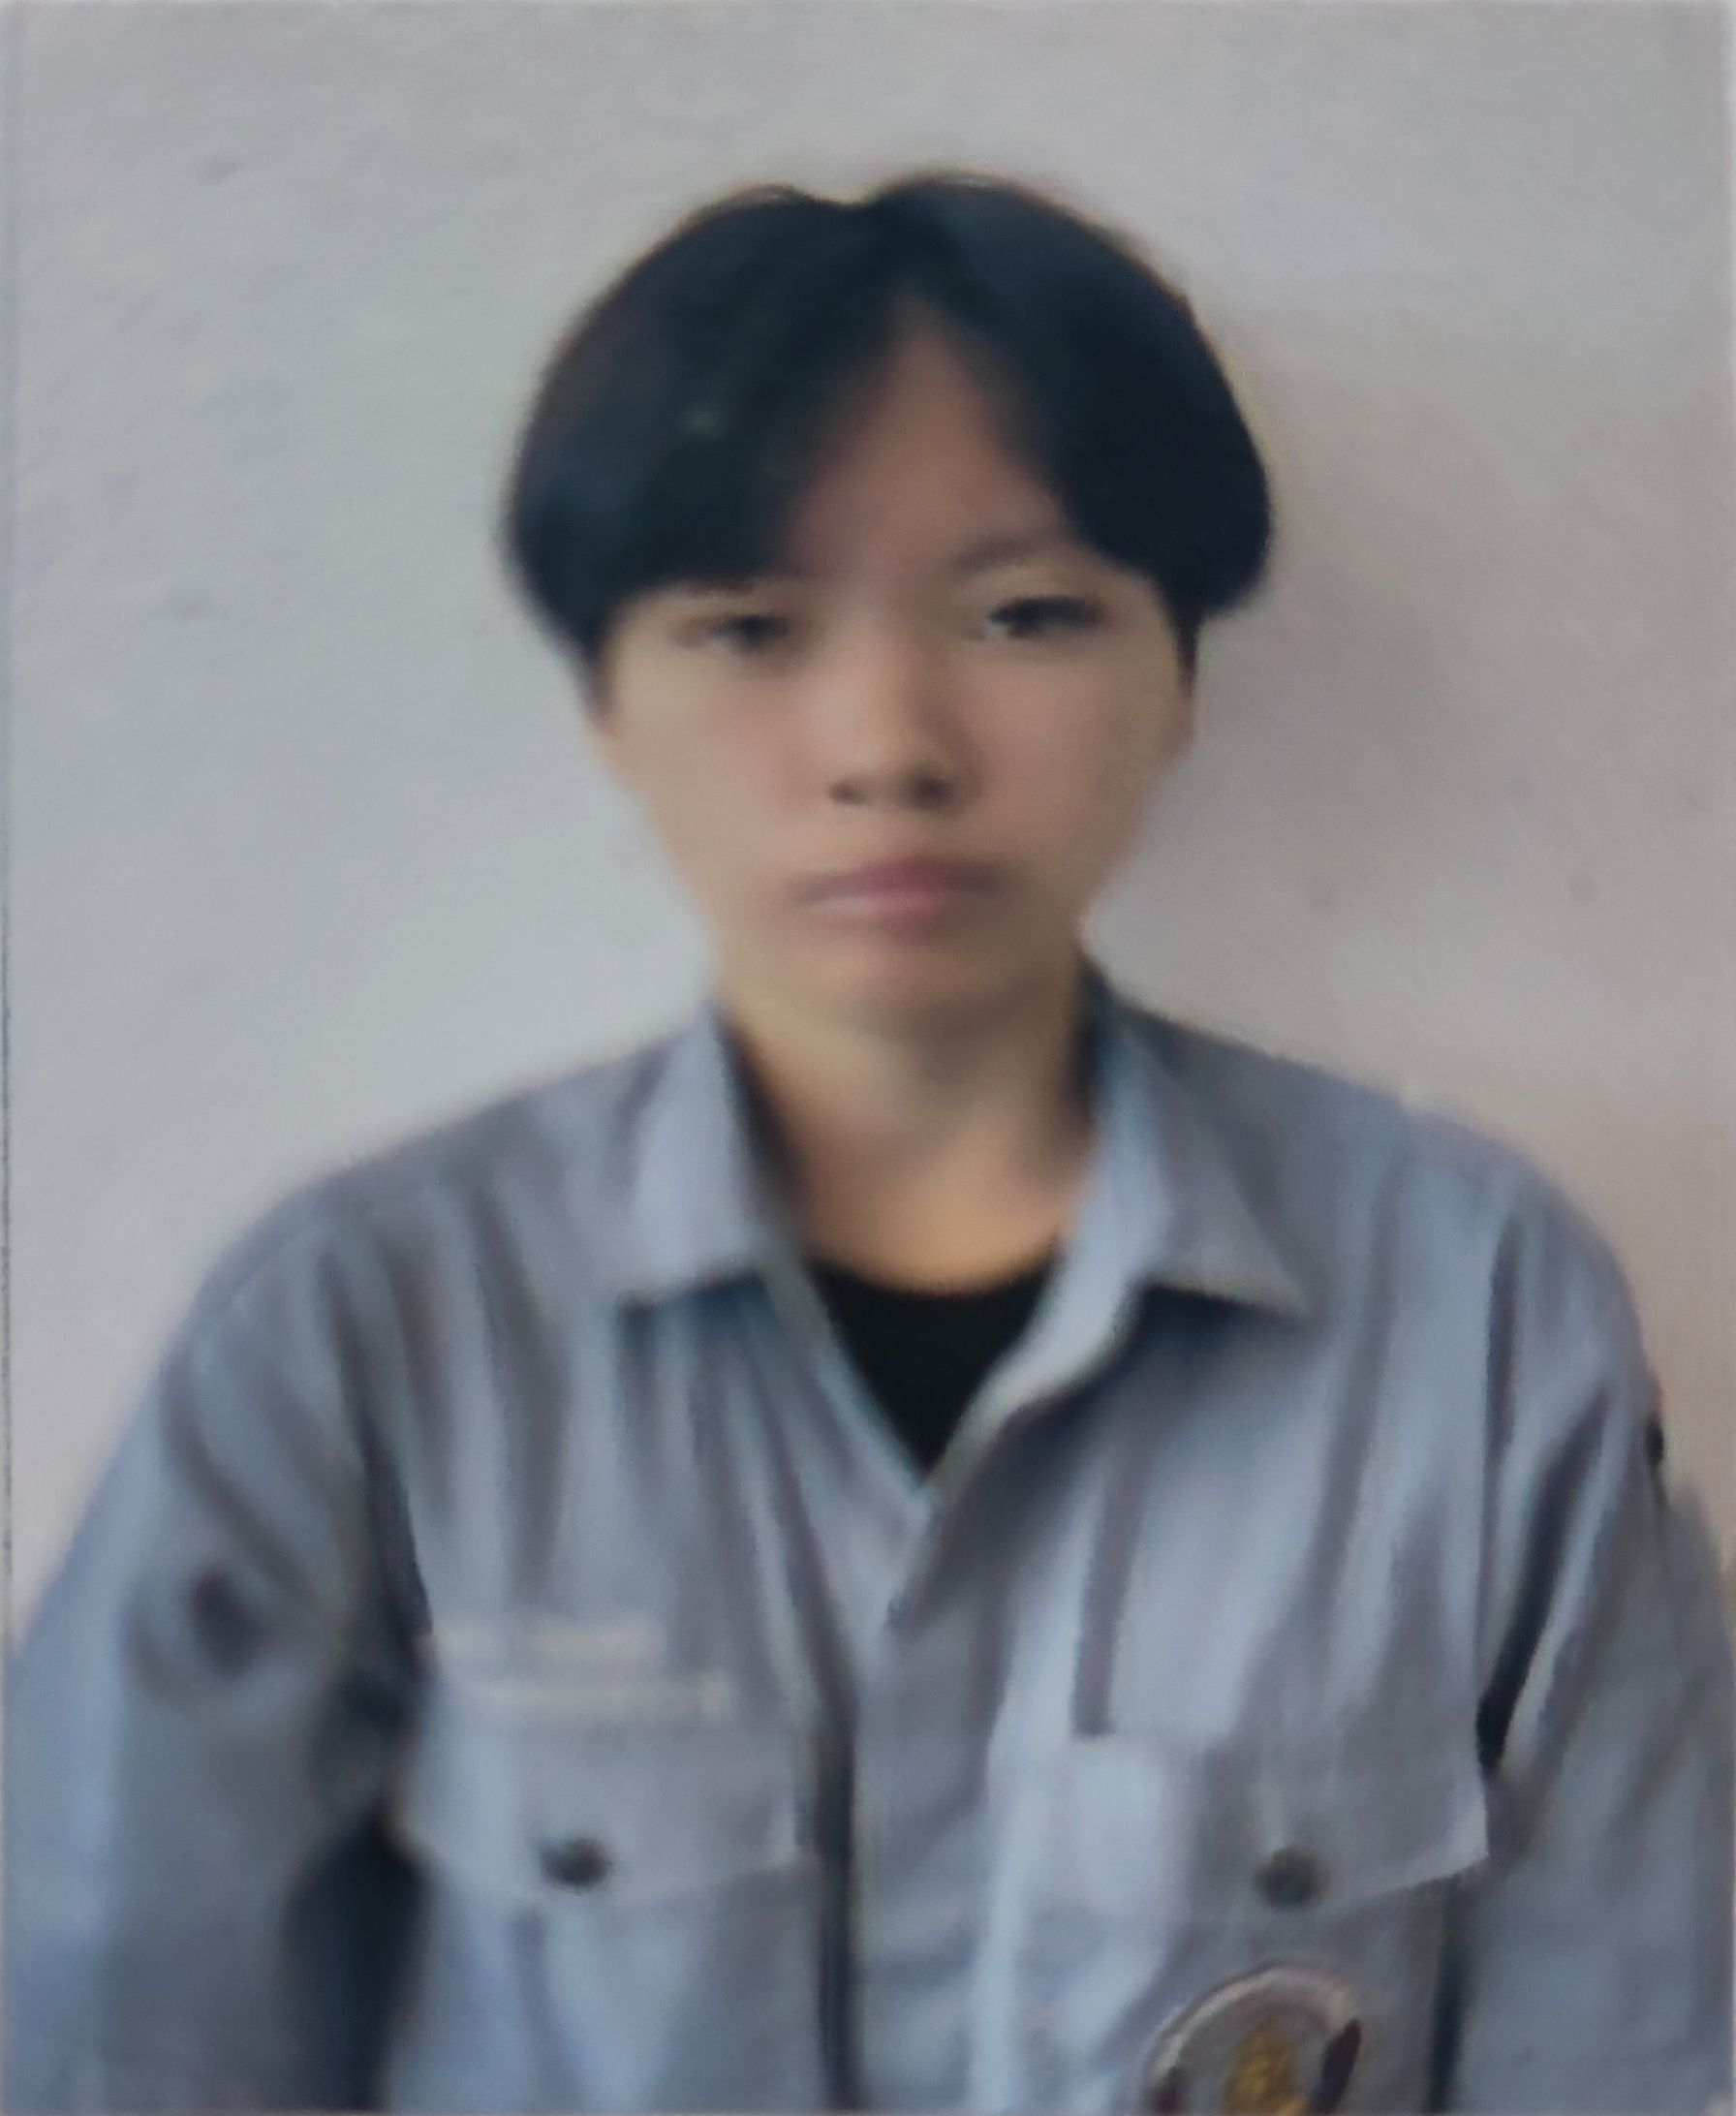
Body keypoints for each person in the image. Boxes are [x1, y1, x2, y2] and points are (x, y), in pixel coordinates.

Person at [6, 167, 1731, 2116]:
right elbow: (117, 2049)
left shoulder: (1473, 1314)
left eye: (1027, 614)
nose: (888, 746)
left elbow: (1627, 2050)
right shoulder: (358, 1333)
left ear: (1180, 676)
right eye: (749, 627)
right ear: (604, 705)